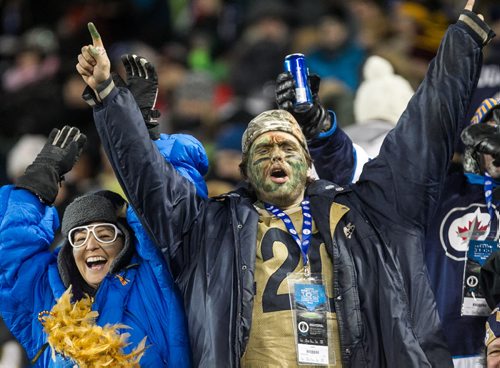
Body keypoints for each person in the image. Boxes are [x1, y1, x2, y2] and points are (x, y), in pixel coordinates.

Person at [76, 1, 494, 366]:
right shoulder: (207, 230)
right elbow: (148, 179)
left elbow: (423, 133)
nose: (276, 155)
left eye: (288, 147)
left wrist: (463, 39)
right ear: (244, 170)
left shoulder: (366, 214)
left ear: (309, 161)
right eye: (263, 150)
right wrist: (109, 95)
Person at [0, 123, 210, 366]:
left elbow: (175, 207)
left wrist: (145, 142)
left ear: (125, 242)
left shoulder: (154, 277)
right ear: (69, 252)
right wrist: (36, 185)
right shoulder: (47, 300)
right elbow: (9, 255)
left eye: (104, 234)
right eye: (79, 238)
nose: (91, 244)